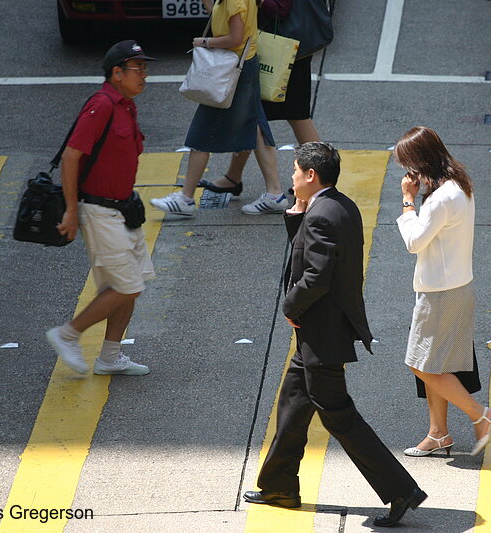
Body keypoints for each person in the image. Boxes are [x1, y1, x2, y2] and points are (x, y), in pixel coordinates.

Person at [243, 142, 427, 528]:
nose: (291, 177)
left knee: (339, 416)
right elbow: (309, 251)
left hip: (321, 332)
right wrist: (296, 213)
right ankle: (279, 486)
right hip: (320, 332)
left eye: (295, 171)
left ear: (311, 175)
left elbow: (315, 276)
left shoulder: (321, 215)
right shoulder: (337, 205)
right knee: (294, 404)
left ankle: (400, 490)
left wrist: (291, 308)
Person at [45, 40, 156, 376]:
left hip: (123, 209)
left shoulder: (126, 105)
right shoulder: (103, 104)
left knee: (130, 285)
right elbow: (71, 156)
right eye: (138, 69)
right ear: (116, 73)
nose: (144, 76)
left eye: (145, 69)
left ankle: (109, 357)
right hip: (98, 211)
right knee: (127, 286)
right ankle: (67, 334)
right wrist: (70, 211)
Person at [394, 126, 491, 457]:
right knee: (437, 365)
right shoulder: (460, 186)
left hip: (440, 293)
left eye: (406, 165)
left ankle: (481, 416)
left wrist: (408, 202)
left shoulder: (441, 198)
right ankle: (438, 433)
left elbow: (414, 242)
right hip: (456, 286)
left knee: (421, 364)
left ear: (418, 163)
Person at [150, 0, 288, 216]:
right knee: (257, 127)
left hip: (232, 70)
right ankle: (275, 194)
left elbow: (236, 37)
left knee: (203, 131)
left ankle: (185, 198)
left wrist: (204, 42)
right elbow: (221, 17)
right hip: (244, 65)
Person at [201, 0, 321, 202]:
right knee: (260, 116)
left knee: (286, 116)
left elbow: (279, 9)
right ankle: (234, 176)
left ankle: (315, 180)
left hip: (283, 52)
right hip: (283, 49)